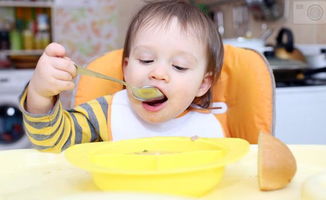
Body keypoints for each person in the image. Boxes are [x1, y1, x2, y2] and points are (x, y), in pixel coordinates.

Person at [19, 0, 224, 152]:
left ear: (202, 84)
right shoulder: (105, 114)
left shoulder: (208, 127)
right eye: (146, 60)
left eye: (179, 66)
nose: (158, 74)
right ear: (126, 68)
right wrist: (39, 94)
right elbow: (51, 141)